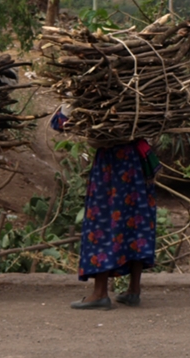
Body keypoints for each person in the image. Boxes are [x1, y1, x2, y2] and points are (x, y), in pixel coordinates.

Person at [51, 105, 160, 309]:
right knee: (137, 221)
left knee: (102, 221)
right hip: (137, 160)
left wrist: (66, 105)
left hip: (112, 163)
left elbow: (60, 124)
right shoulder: (138, 96)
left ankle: (100, 293)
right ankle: (133, 290)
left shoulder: (100, 96)